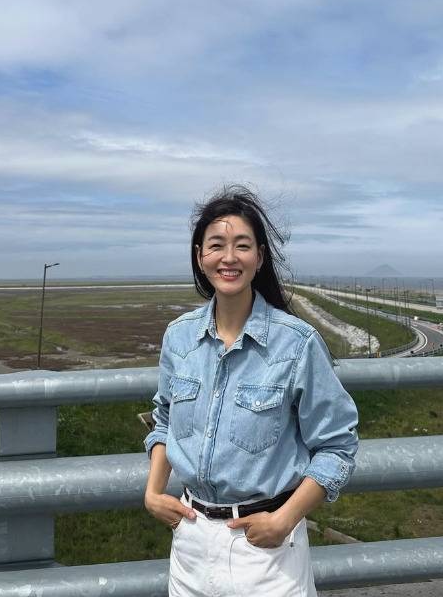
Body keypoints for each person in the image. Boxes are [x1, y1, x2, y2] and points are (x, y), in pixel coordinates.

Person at [144, 186, 359, 596]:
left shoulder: (296, 343)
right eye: (216, 245)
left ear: (259, 257)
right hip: (189, 542)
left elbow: (337, 446)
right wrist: (153, 493)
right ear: (199, 256)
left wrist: (284, 520)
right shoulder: (179, 337)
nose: (229, 257)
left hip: (266, 549)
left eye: (242, 246)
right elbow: (165, 420)